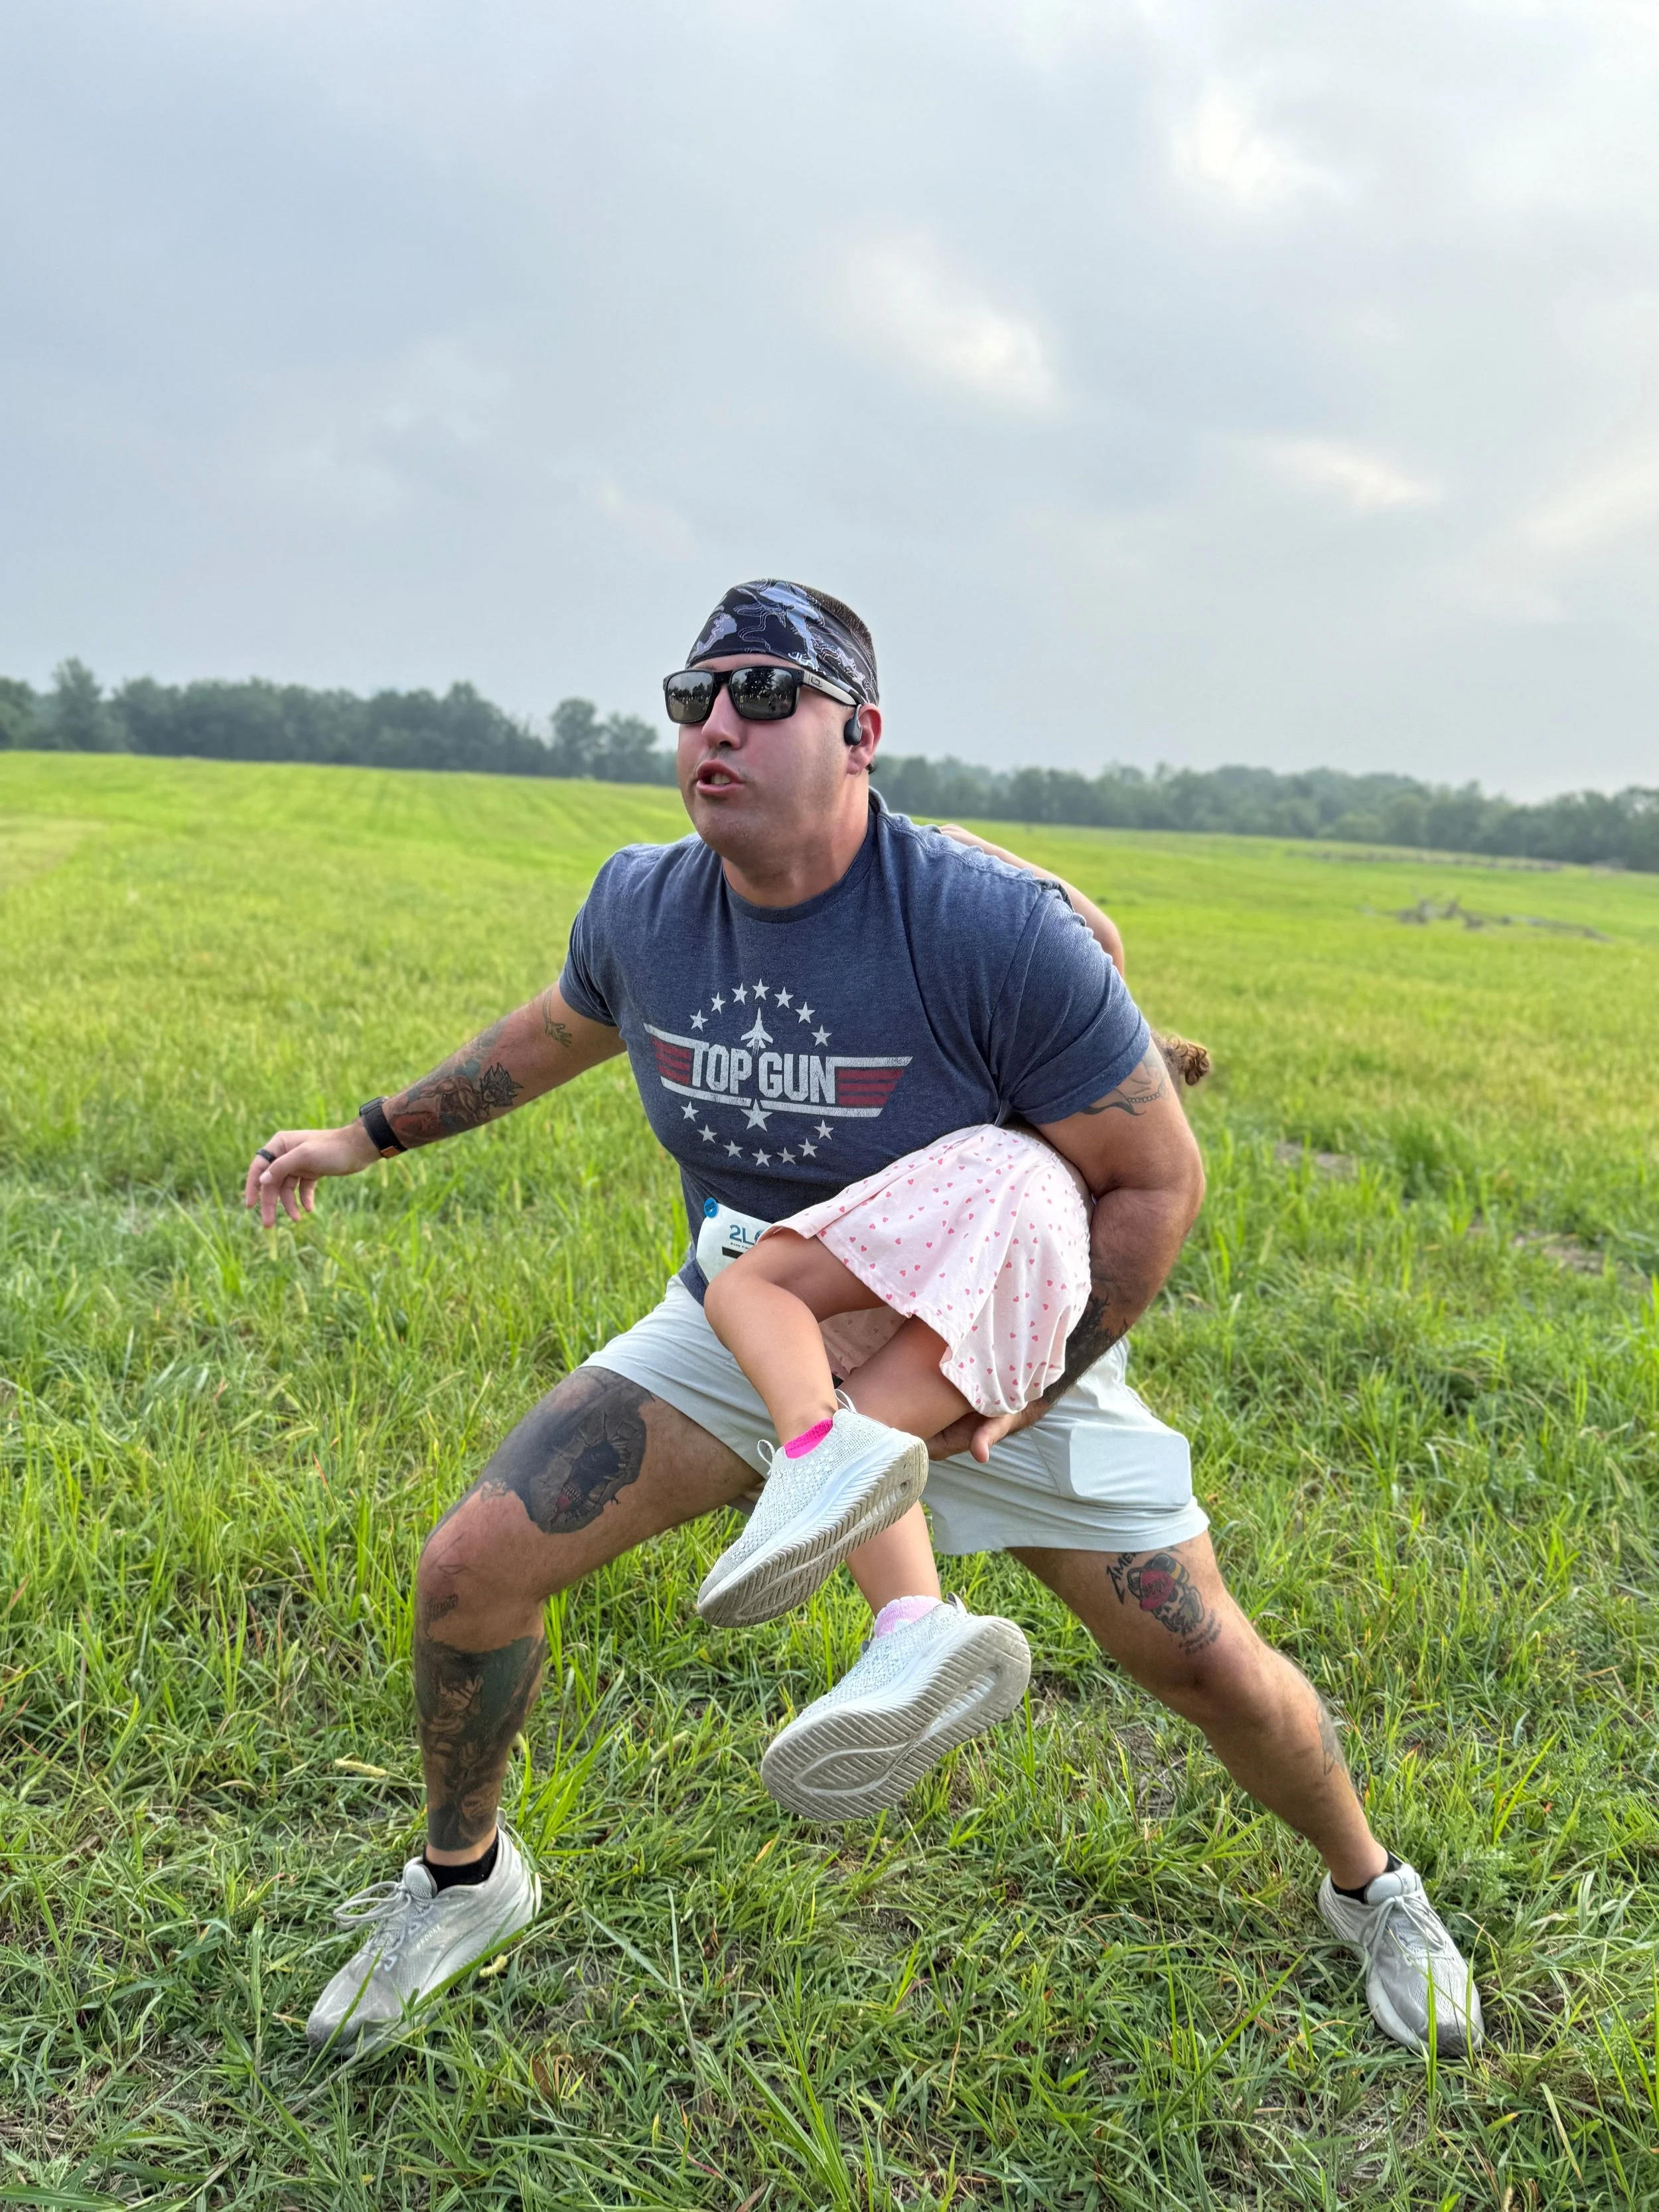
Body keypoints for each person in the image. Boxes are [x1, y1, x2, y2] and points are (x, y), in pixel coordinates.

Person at [247, 578, 1484, 2062]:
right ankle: (462, 1881)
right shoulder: (642, 906)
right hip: (748, 1322)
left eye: (766, 693)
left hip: (1000, 1338)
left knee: (1201, 1658)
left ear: (860, 732)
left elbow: (1152, 1183)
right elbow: (556, 1032)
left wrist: (1025, 1385)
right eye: (692, 696)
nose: (718, 723)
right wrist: (364, 1135)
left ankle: (1373, 1885)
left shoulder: (985, 925)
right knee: (470, 1569)